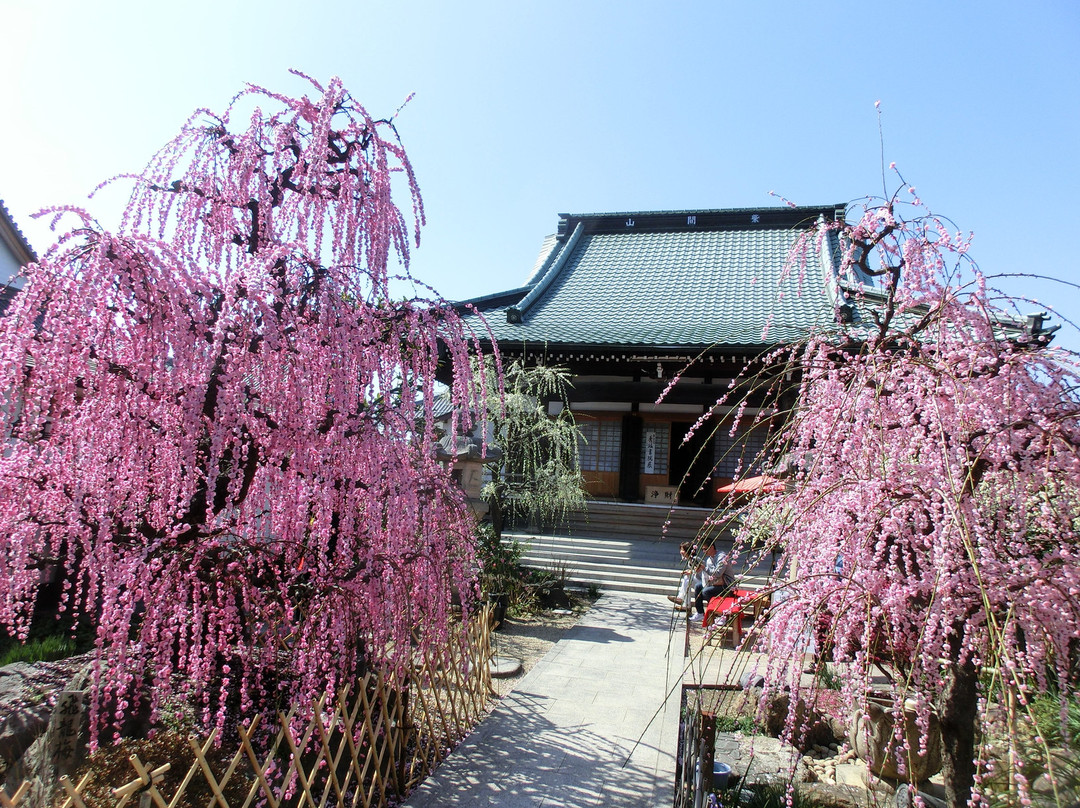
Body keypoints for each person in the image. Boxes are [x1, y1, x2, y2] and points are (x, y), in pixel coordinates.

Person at [693, 543, 735, 617]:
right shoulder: (709, 559)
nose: (704, 551)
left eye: (705, 549)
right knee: (698, 586)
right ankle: (700, 612)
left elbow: (718, 573)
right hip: (714, 582)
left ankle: (719, 613)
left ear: (712, 547)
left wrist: (704, 568)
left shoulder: (722, 557)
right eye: (702, 549)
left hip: (726, 585)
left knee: (706, 591)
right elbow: (707, 575)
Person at [667, 542, 699, 610]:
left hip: (703, 582)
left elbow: (702, 573)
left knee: (687, 579)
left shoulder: (695, 559)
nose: (681, 552)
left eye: (683, 550)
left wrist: (692, 572)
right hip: (698, 580)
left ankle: (685, 603)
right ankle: (682, 598)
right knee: (686, 578)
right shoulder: (690, 560)